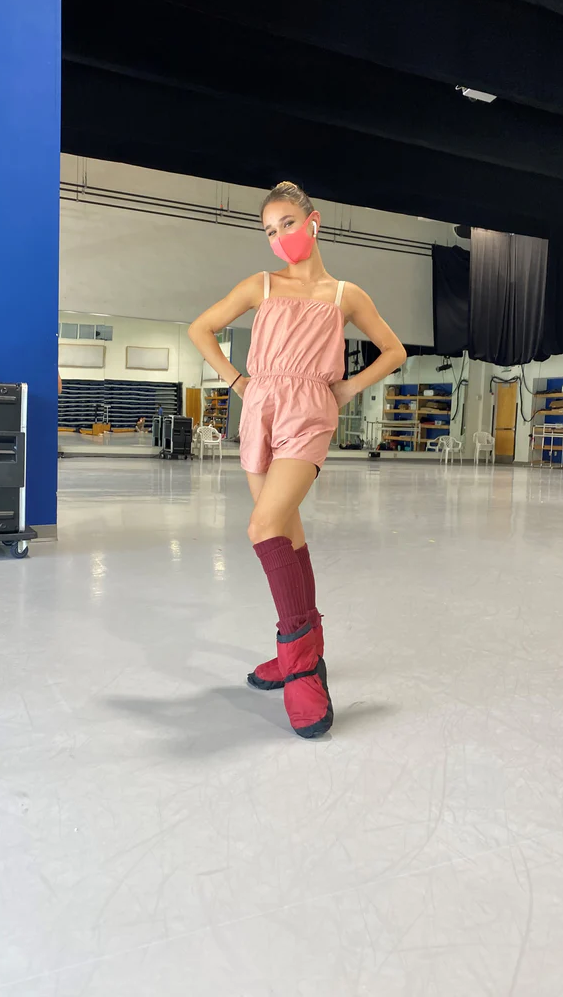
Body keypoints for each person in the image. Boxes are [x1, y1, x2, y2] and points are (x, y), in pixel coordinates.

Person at [188, 181, 406, 739]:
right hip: (259, 407)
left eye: (286, 223)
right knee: (287, 532)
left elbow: (395, 350)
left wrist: (347, 388)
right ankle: (303, 649)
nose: (279, 237)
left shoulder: (344, 296)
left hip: (309, 411)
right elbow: (200, 328)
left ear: (313, 221)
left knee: (263, 526)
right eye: (268, 230)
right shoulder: (260, 285)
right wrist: (238, 380)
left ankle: (302, 665)